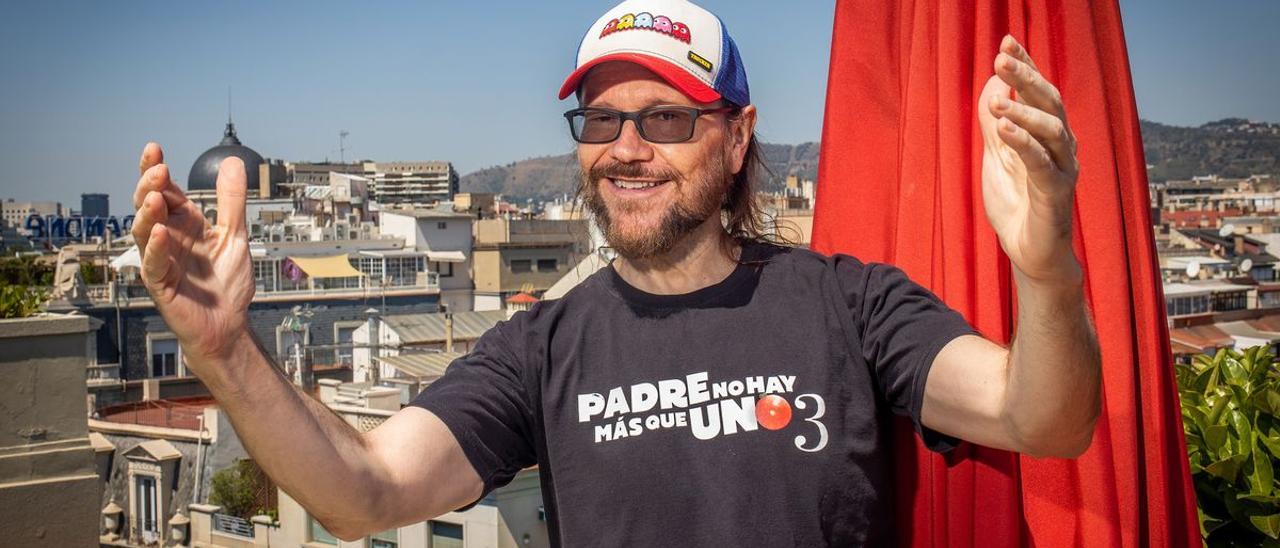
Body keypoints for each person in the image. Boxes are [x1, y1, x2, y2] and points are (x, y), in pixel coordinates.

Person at [129, 0, 1100, 545]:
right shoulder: (538, 348)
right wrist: (224, 351)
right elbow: (363, 494)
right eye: (601, 118)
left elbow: (1041, 416)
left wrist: (1046, 268)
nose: (626, 147)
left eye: (665, 117)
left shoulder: (847, 303)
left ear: (735, 138)